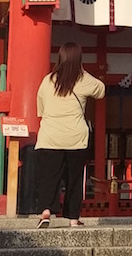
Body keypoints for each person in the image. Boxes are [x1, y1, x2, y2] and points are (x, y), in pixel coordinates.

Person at [32, 42, 105, 228]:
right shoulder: (84, 80)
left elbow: (40, 110)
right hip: (75, 138)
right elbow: (101, 90)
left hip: (49, 136)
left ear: (60, 58)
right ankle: (73, 219)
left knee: (50, 177)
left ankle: (46, 212)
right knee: (74, 179)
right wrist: (82, 70)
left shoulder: (47, 81)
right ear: (78, 59)